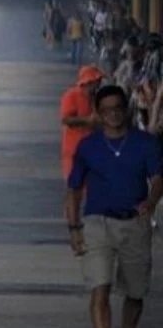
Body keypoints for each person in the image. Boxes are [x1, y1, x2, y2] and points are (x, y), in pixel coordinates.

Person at [66, 84, 162, 328]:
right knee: (100, 287)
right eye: (107, 110)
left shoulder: (146, 143)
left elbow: (158, 178)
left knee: (136, 292)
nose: (114, 114)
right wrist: (74, 227)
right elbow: (73, 190)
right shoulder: (88, 147)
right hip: (98, 224)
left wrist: (151, 200)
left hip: (135, 224)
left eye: (118, 108)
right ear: (98, 113)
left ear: (127, 110)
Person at [60, 65, 104, 182]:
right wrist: (87, 121)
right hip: (74, 149)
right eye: (97, 81)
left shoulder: (96, 98)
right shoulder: (71, 95)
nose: (99, 84)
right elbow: (66, 120)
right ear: (89, 82)